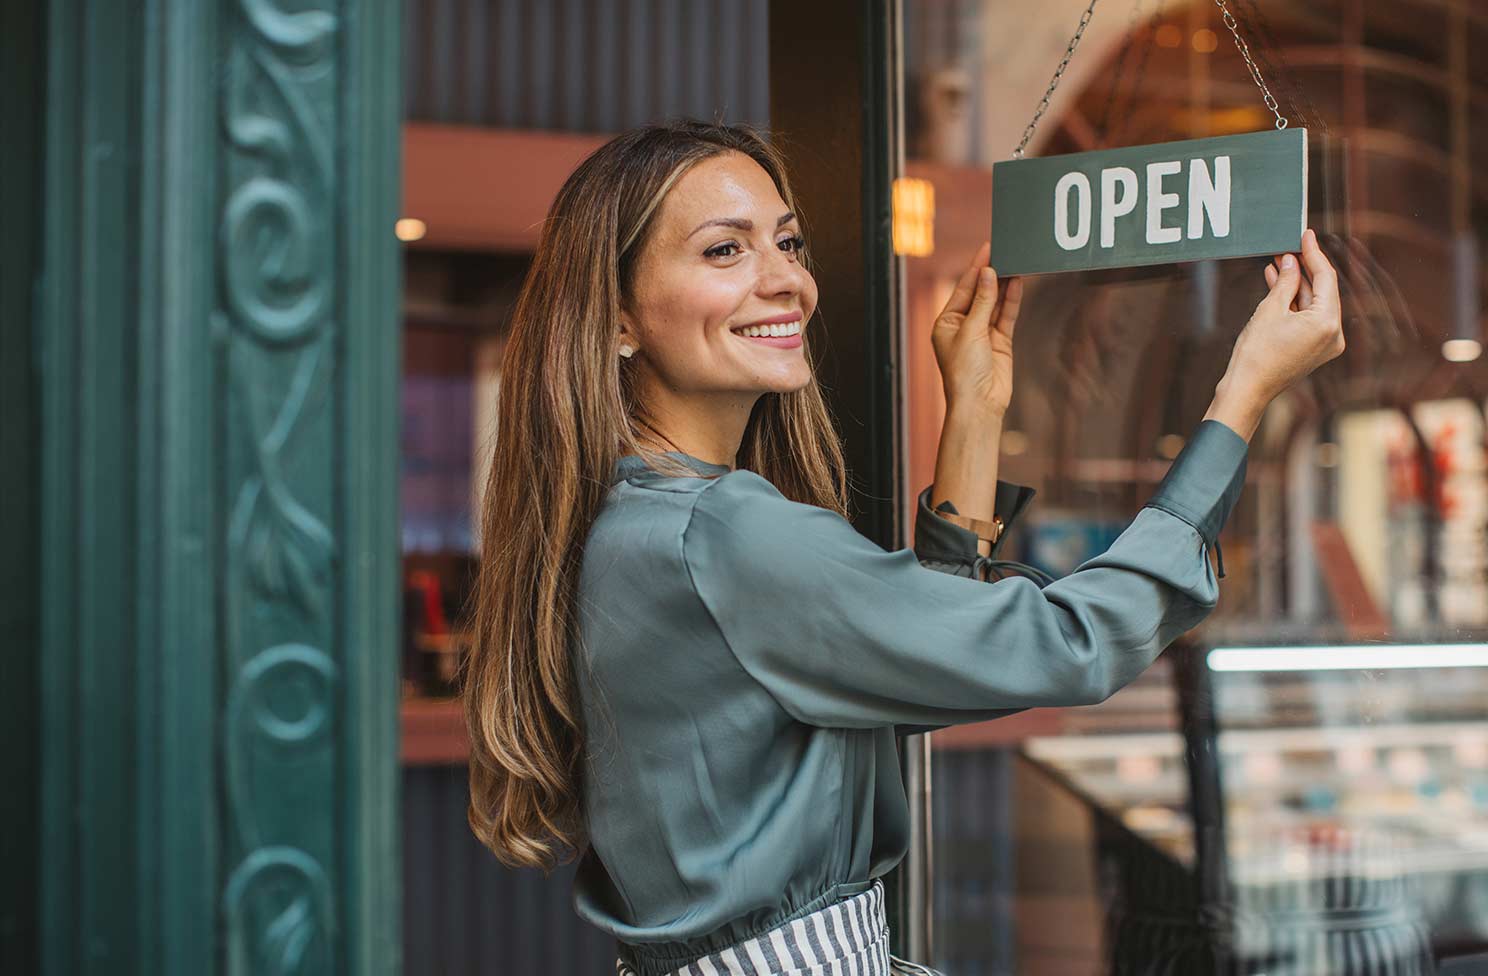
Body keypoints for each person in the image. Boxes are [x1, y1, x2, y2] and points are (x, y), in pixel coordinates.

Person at [460, 119, 1345, 976]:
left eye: (789, 244)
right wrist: (1243, 394)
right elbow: (1069, 645)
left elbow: (916, 660)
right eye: (725, 250)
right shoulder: (725, 532)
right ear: (618, 320)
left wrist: (974, 413)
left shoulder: (629, 521)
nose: (787, 282)